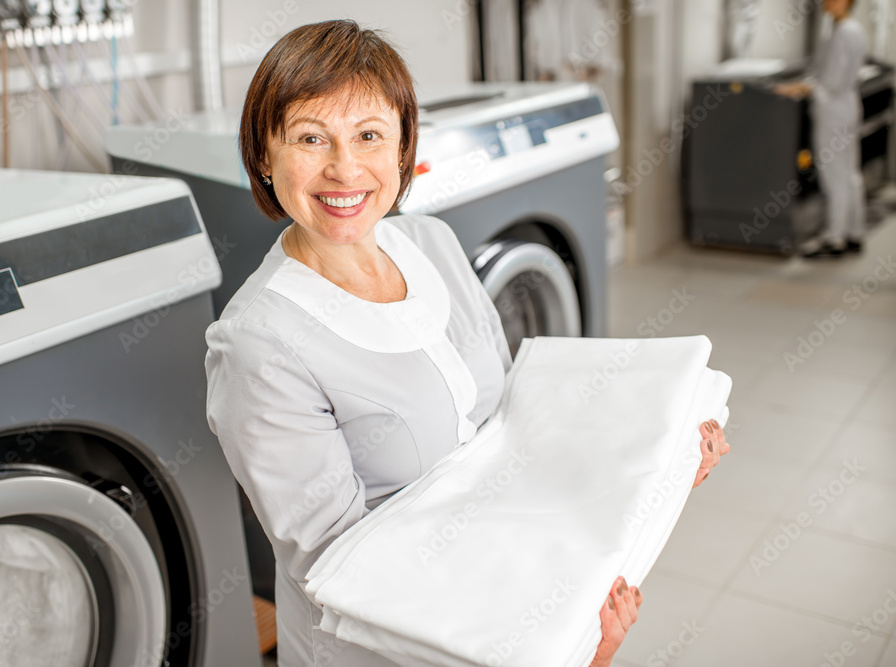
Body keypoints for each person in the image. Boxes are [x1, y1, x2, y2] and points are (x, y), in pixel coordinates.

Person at [204, 19, 730, 667]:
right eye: (311, 139)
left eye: (369, 136)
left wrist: (657, 466)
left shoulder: (430, 244)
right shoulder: (261, 344)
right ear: (263, 155)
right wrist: (547, 638)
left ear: (402, 150)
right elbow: (344, 571)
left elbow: (512, 428)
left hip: (504, 599)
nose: (344, 169)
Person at [776, 0, 867, 258]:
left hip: (833, 110)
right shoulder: (848, 29)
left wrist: (799, 88)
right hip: (845, 106)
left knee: (834, 175)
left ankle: (834, 239)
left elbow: (832, 80)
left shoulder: (844, 33)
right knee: (849, 172)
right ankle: (853, 232)